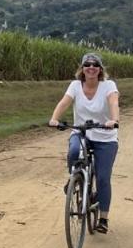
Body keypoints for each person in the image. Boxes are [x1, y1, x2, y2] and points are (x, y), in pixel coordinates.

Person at [48, 52, 120, 234]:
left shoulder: (108, 85)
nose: (91, 68)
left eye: (95, 65)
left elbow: (113, 102)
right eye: (87, 65)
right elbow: (64, 102)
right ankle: (75, 178)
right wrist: (55, 119)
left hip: (105, 136)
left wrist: (114, 120)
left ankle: (103, 218)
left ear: (100, 69)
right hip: (81, 133)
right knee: (73, 152)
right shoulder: (75, 86)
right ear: (82, 69)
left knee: (103, 178)